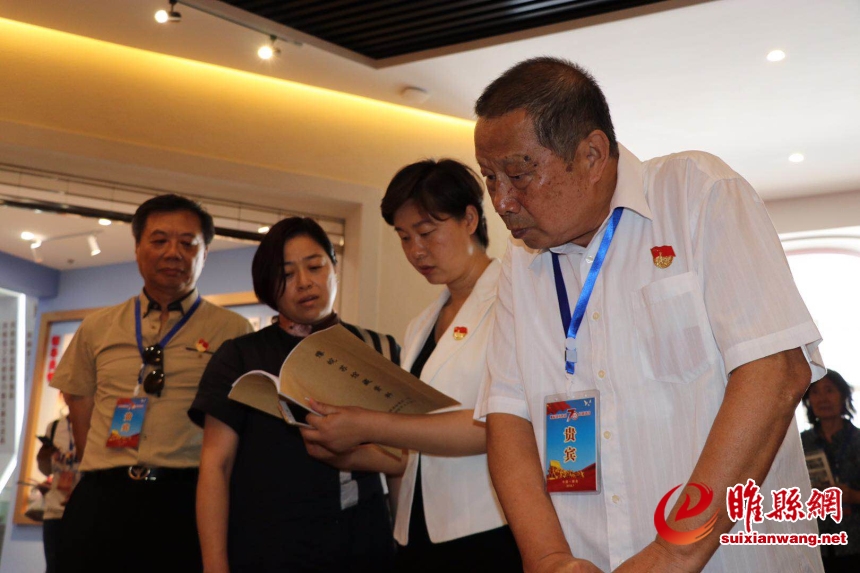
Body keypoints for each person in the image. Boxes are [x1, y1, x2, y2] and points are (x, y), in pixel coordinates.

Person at [473, 57, 826, 573]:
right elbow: (508, 419)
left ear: (592, 154)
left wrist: (673, 552)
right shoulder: (519, 266)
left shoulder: (696, 193)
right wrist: (548, 558)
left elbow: (775, 372)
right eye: (489, 178)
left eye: (518, 174)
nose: (502, 201)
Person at [300, 159, 522, 572]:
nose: (415, 251)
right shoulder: (421, 324)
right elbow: (412, 452)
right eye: (404, 237)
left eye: (426, 232)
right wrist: (345, 452)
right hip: (416, 527)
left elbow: (493, 426)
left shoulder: (513, 302)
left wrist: (368, 425)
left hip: (487, 526)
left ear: (469, 219)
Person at [50, 194, 252, 573]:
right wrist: (107, 468)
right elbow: (80, 407)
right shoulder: (98, 326)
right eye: (159, 240)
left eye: (188, 243)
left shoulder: (234, 331)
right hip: (102, 500)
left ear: (205, 253)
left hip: (188, 500)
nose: (173, 253)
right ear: (138, 248)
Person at [190, 217, 403, 573]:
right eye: (286, 274)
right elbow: (216, 466)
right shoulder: (240, 356)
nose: (304, 282)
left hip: (364, 542)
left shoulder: (378, 348)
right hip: (268, 546)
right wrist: (215, 564)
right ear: (267, 284)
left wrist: (407, 548)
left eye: (315, 266)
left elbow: (403, 458)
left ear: (334, 267)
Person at [801, 369, 860, 572]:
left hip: (855, 542)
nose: (822, 398)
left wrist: (852, 496)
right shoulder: (801, 444)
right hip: (815, 544)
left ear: (843, 396)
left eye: (829, 390)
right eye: (815, 392)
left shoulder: (857, 440)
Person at [38, 413, 80, 573]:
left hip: (82, 508)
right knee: (54, 567)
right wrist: (43, 457)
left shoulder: (95, 424)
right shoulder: (54, 426)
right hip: (54, 510)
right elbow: (46, 470)